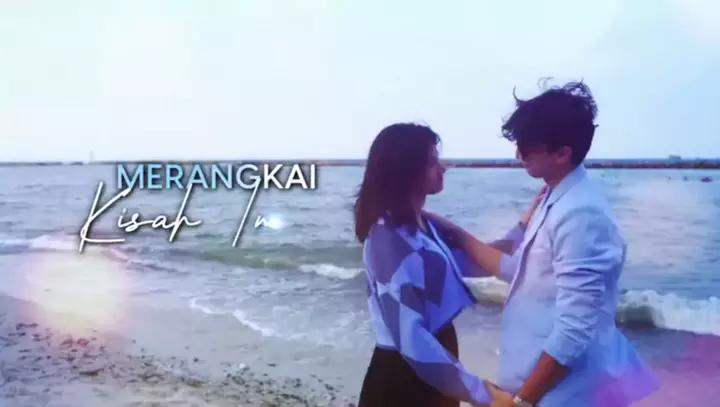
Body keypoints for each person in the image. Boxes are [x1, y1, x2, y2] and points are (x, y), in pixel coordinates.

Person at [427, 81, 660, 406]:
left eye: (526, 147)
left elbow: (575, 330)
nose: (517, 155)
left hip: (570, 391)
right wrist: (456, 234)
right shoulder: (555, 194)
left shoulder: (582, 213)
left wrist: (523, 401)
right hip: (543, 382)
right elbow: (520, 271)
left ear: (563, 153)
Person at [354, 123, 542, 407]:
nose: (443, 168)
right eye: (432, 163)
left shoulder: (421, 226)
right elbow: (410, 337)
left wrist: (524, 225)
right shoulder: (387, 237)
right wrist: (485, 395)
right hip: (405, 374)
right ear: (407, 171)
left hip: (436, 363)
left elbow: (477, 261)